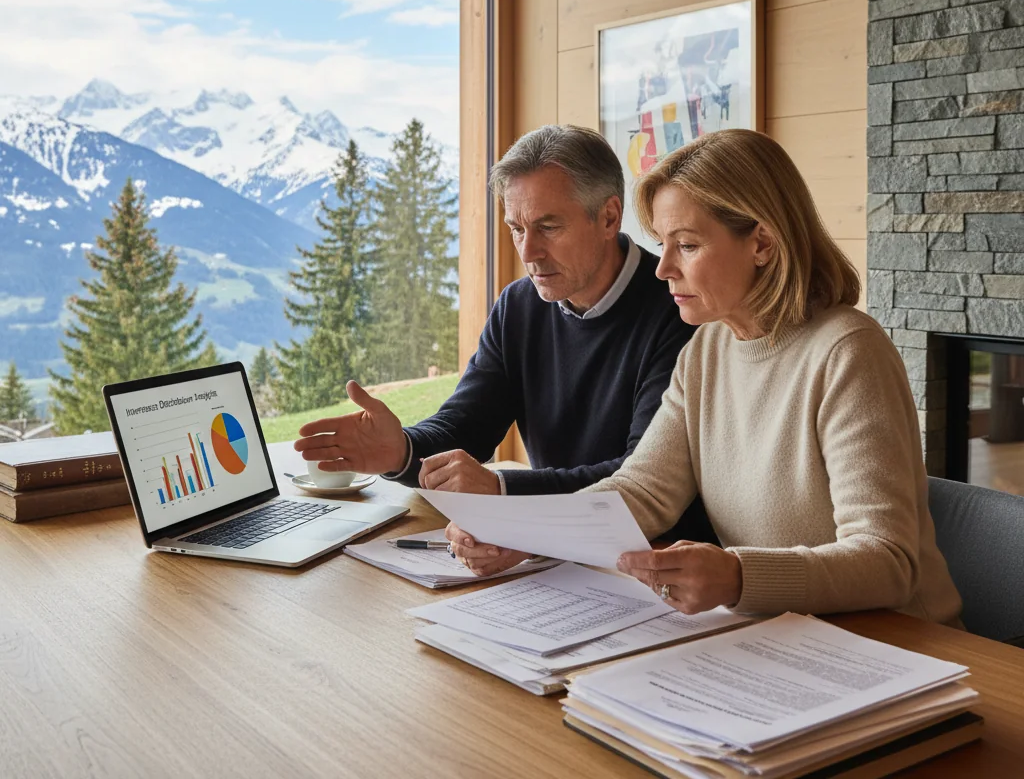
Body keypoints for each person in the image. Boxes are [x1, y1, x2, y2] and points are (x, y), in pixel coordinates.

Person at [450, 130, 962, 625]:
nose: (663, 268)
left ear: (761, 242)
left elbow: (889, 562)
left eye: (687, 246)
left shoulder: (849, 352)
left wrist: (739, 576)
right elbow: (642, 491)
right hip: (779, 633)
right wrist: (527, 533)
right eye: (663, 244)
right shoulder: (707, 350)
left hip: (900, 645)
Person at [294, 124, 713, 569]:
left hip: (661, 565)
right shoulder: (520, 304)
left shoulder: (679, 309)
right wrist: (400, 451)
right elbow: (466, 426)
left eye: (548, 227)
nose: (529, 251)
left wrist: (504, 494)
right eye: (517, 228)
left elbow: (640, 479)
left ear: (609, 217)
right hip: (555, 557)